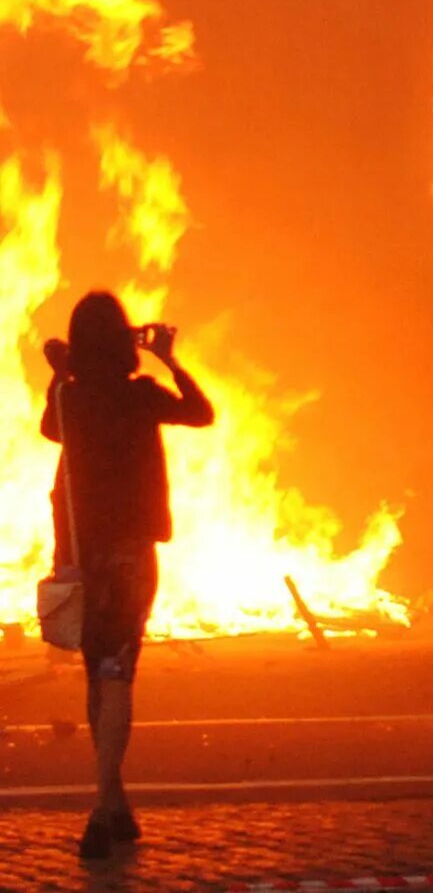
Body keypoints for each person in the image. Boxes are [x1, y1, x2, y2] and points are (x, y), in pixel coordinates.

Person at [40, 292, 214, 861]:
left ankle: (115, 803)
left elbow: (51, 426)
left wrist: (63, 371)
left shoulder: (70, 398)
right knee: (117, 675)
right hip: (129, 557)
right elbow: (201, 412)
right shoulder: (140, 397)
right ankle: (100, 808)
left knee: (98, 677)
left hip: (82, 558)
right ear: (124, 342)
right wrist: (169, 358)